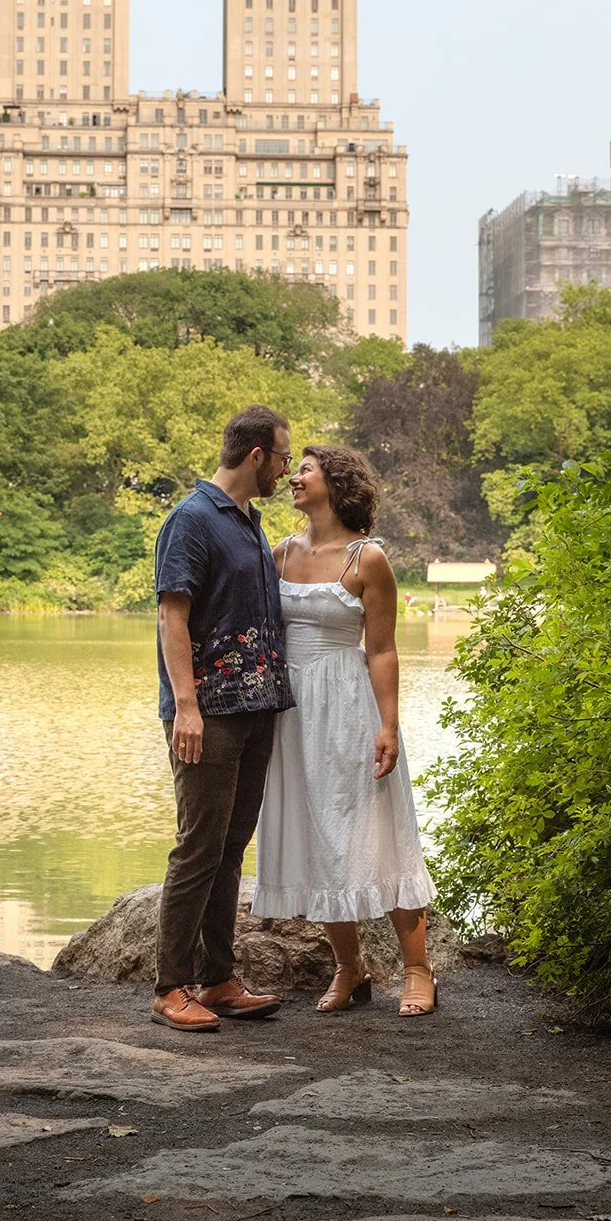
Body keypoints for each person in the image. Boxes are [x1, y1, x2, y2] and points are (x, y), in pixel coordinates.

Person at [252, 444, 438, 1017]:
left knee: (375, 831)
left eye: (304, 469)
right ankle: (349, 968)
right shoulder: (279, 554)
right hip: (291, 713)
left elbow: (381, 650)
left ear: (336, 483)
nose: (293, 478)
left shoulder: (368, 559)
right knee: (317, 834)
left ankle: (416, 969)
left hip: (349, 708)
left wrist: (389, 725)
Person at [151, 405, 295, 1032]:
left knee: (232, 847)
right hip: (208, 713)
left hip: (256, 708)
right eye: (284, 457)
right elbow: (171, 616)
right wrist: (186, 705)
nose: (288, 470)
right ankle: (169, 987)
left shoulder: (249, 522)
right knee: (199, 847)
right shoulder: (192, 520)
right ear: (257, 455)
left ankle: (216, 979)